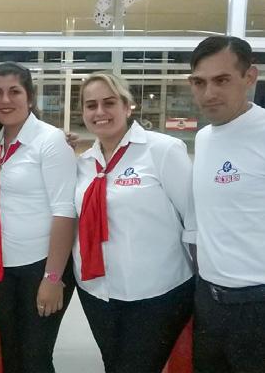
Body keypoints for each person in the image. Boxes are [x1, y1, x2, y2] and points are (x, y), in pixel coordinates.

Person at [74, 72, 195, 373]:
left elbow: (194, 220)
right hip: (96, 292)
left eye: (109, 102)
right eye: (91, 105)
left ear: (128, 106)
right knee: (113, 365)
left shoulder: (162, 150)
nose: (100, 112)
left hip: (157, 293)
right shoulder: (83, 163)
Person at [0, 62, 77, 373]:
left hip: (41, 265)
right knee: (11, 355)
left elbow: (65, 211)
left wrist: (53, 278)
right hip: (2, 266)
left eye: (14, 92)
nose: (5, 100)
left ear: (30, 98)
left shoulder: (50, 141)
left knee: (35, 358)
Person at [189, 36, 265, 373]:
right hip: (209, 300)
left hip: (259, 303)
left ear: (249, 77)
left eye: (222, 80)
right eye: (199, 82)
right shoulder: (204, 137)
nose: (209, 93)